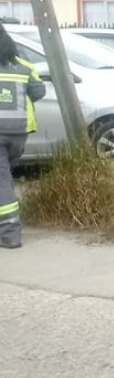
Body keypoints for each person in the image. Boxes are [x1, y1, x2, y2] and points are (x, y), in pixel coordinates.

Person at [0, 24, 45, 249]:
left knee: (2, 182)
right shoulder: (25, 67)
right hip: (18, 133)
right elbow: (38, 92)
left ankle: (10, 233)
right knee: (4, 179)